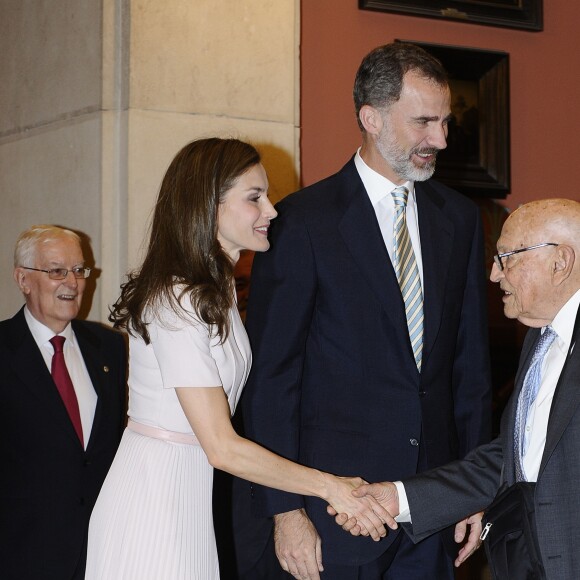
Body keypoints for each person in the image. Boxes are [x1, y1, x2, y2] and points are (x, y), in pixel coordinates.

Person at [234, 42, 492, 580]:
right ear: (370, 118)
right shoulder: (302, 223)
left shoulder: (461, 220)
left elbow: (471, 371)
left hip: (432, 511)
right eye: (424, 121)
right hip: (334, 515)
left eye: (445, 122)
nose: (440, 139)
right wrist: (285, 511)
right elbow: (273, 381)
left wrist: (474, 489)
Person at [84, 137, 395, 580]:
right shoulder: (177, 299)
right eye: (254, 198)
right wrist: (331, 487)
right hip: (152, 501)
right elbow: (222, 446)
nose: (271, 210)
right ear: (208, 205)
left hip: (189, 497)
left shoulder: (218, 288)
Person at [341, 198, 580, 579]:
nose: (494, 274)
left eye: (507, 257)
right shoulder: (541, 338)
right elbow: (512, 458)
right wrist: (399, 499)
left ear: (560, 262)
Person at [0, 225, 127, 580]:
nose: (72, 282)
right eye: (57, 271)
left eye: (79, 270)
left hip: (101, 552)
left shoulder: (108, 347)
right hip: (20, 557)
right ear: (23, 279)